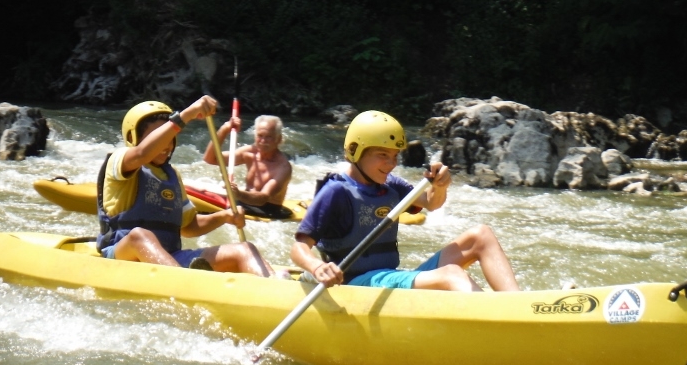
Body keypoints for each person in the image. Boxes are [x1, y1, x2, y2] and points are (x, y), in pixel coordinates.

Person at [290, 110, 522, 292]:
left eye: (394, 156)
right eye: (382, 155)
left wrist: (440, 186)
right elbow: (299, 247)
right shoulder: (335, 193)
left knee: (481, 235)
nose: (391, 164)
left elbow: (431, 202)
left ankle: (517, 307)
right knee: (452, 274)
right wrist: (317, 267)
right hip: (356, 284)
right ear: (354, 151)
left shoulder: (390, 184)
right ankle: (495, 320)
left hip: (387, 279)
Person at [96, 96, 282, 277]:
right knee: (140, 235)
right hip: (122, 252)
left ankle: (276, 288)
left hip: (169, 258)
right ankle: (187, 282)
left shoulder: (171, 175)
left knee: (244, 249)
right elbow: (141, 154)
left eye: (170, 137)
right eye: (158, 136)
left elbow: (189, 226)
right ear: (132, 137)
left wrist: (224, 216)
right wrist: (186, 115)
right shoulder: (121, 160)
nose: (166, 144)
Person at [203, 114, 293, 219]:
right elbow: (210, 158)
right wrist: (225, 129)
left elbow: (263, 198)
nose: (263, 141)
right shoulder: (249, 153)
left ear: (279, 139)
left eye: (269, 137)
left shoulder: (283, 167)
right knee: (202, 192)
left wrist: (238, 194)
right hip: (244, 201)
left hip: (267, 209)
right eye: (260, 136)